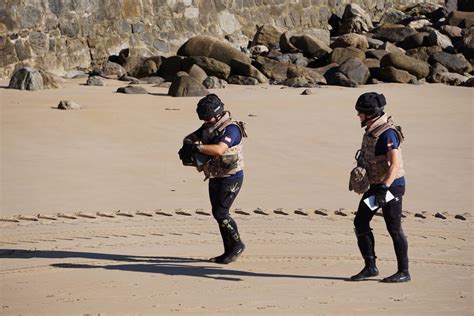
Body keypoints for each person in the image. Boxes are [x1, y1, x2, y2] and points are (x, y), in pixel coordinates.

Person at [349, 92, 410, 283]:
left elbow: (395, 165)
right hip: (376, 188)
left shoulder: (388, 134)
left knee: (394, 227)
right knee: (360, 221)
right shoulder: (371, 130)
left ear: (370, 113)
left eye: (360, 112)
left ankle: (404, 272)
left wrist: (385, 188)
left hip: (391, 188)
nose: (358, 115)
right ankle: (370, 267)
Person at [178, 94, 247, 264]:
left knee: (221, 213)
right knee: (218, 215)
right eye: (203, 118)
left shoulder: (231, 129)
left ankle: (237, 245)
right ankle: (228, 251)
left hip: (231, 178)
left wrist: (198, 147)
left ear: (217, 113)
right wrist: (188, 146)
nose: (205, 120)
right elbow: (189, 138)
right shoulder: (209, 126)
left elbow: (218, 150)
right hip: (215, 175)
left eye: (207, 117)